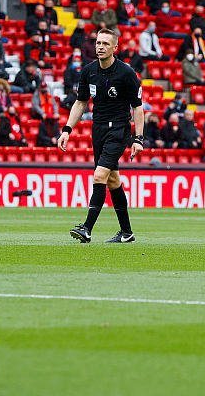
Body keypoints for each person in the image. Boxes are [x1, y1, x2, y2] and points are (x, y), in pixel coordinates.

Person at [58, 26, 144, 243]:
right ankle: (127, 233)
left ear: (115, 47)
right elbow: (80, 103)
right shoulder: (88, 71)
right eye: (98, 42)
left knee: (99, 175)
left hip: (119, 129)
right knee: (113, 180)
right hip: (98, 129)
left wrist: (138, 138)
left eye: (105, 43)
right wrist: (67, 129)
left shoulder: (126, 73)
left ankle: (87, 228)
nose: (100, 46)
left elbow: (138, 107)